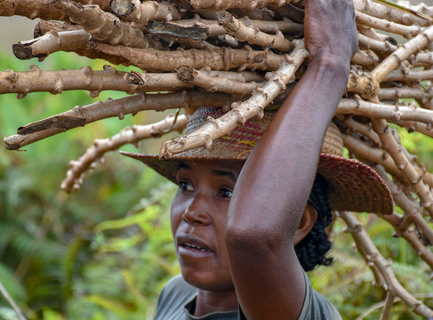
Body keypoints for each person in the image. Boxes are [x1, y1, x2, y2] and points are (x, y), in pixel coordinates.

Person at [122, 0, 394, 318]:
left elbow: (252, 237)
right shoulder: (176, 295)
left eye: (226, 192)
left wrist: (330, 65)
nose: (192, 212)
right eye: (185, 184)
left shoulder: (292, 312)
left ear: (299, 223)